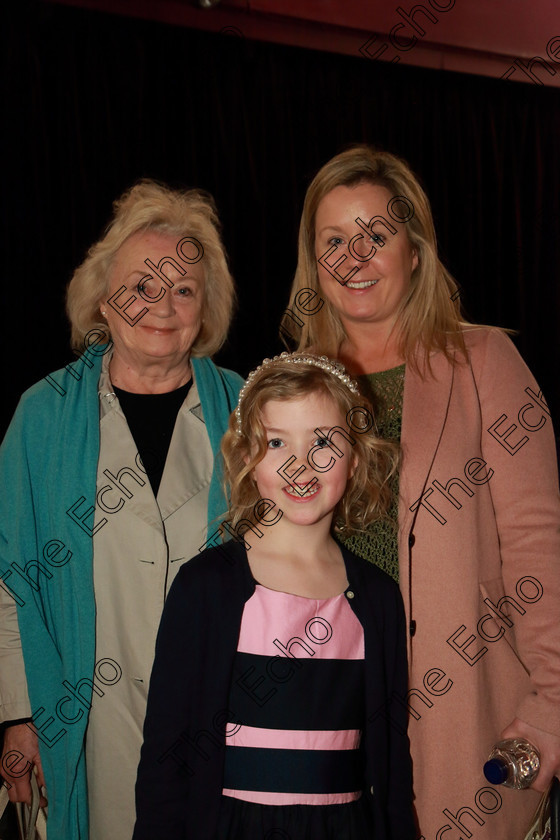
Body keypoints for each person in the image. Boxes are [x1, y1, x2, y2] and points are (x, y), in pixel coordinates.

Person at [280, 145, 560, 840]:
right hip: (325, 734)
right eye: (335, 241)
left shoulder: (485, 362)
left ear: (415, 251)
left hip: (466, 737)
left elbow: (537, 550)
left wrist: (551, 711)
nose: (355, 255)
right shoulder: (293, 389)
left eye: (377, 234)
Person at [0, 179, 244, 840]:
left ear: (206, 306)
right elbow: (9, 577)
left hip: (225, 721)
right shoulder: (42, 416)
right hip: (90, 725)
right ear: (102, 299)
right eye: (141, 285)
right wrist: (21, 715)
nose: (161, 305)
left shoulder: (253, 412)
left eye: (184, 288)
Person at [133, 352, 416, 840]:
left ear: (356, 453)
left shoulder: (378, 599)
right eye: (277, 442)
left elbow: (390, 763)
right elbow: (166, 757)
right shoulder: (205, 588)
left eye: (323, 441)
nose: (301, 465)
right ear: (247, 458)